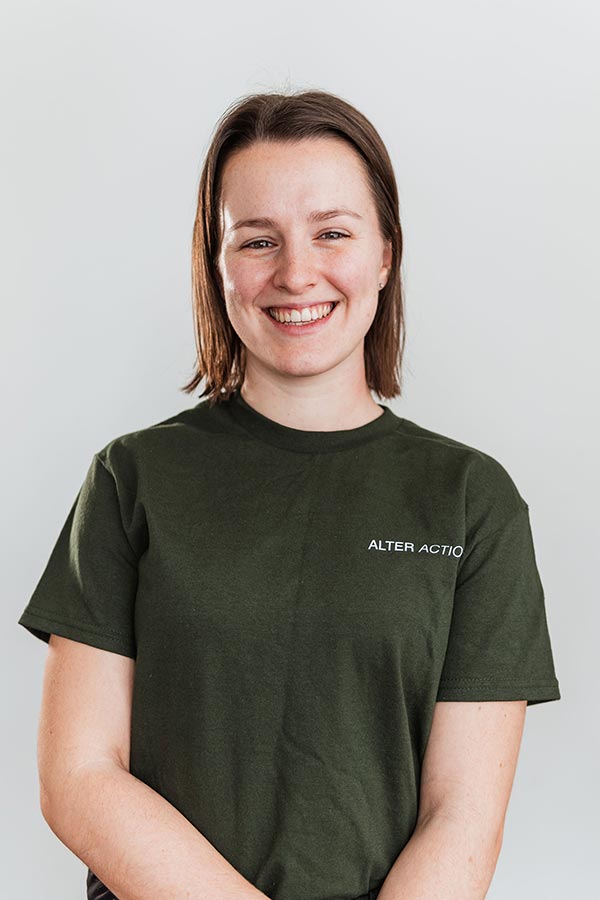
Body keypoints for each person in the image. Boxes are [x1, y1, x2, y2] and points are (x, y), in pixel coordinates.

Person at [18, 88, 561, 900]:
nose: (296, 273)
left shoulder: (471, 501)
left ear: (386, 254)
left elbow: (462, 817)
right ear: (216, 264)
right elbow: (79, 778)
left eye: (332, 233)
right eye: (258, 240)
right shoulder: (130, 480)